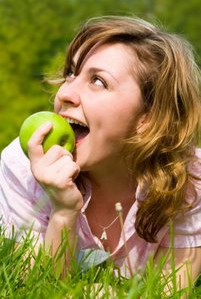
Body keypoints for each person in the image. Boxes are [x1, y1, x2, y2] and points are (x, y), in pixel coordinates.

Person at [0, 15, 201, 288]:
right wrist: (63, 212)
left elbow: (170, 290)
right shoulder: (22, 166)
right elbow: (33, 288)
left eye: (98, 81)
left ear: (149, 118)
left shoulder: (190, 182)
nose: (66, 92)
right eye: (71, 73)